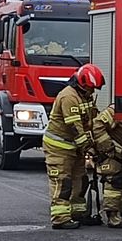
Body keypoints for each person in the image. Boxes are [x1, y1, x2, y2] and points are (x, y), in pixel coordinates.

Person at [42, 63, 103, 229]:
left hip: (74, 147)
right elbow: (74, 126)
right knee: (63, 181)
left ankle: (78, 213)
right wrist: (88, 147)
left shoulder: (85, 96)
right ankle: (60, 218)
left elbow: (90, 121)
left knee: (80, 180)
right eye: (91, 88)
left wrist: (94, 143)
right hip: (59, 147)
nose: (93, 92)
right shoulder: (68, 97)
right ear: (82, 84)